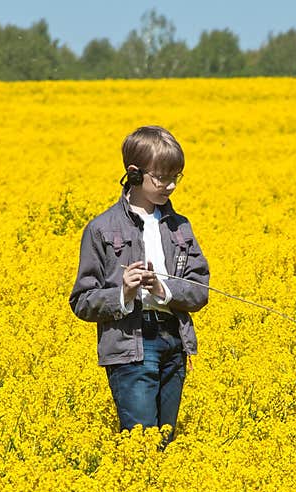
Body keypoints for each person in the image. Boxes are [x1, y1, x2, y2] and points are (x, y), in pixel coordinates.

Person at [69, 125, 210, 449]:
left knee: (165, 440)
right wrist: (124, 292)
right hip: (130, 345)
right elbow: (82, 300)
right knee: (142, 444)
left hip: (173, 341)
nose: (171, 186)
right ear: (134, 174)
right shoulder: (101, 229)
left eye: (177, 176)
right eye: (162, 178)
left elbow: (200, 290)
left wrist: (165, 289)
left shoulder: (180, 227)